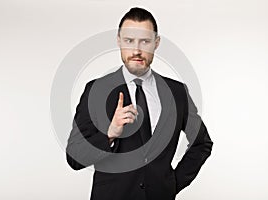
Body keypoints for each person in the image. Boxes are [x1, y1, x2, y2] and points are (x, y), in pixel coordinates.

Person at [66, 7, 213, 200]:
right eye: (129, 41)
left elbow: (202, 143)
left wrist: (172, 183)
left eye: (145, 41)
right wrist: (109, 134)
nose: (137, 50)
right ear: (119, 40)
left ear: (156, 43)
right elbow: (74, 157)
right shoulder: (96, 91)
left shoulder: (177, 92)